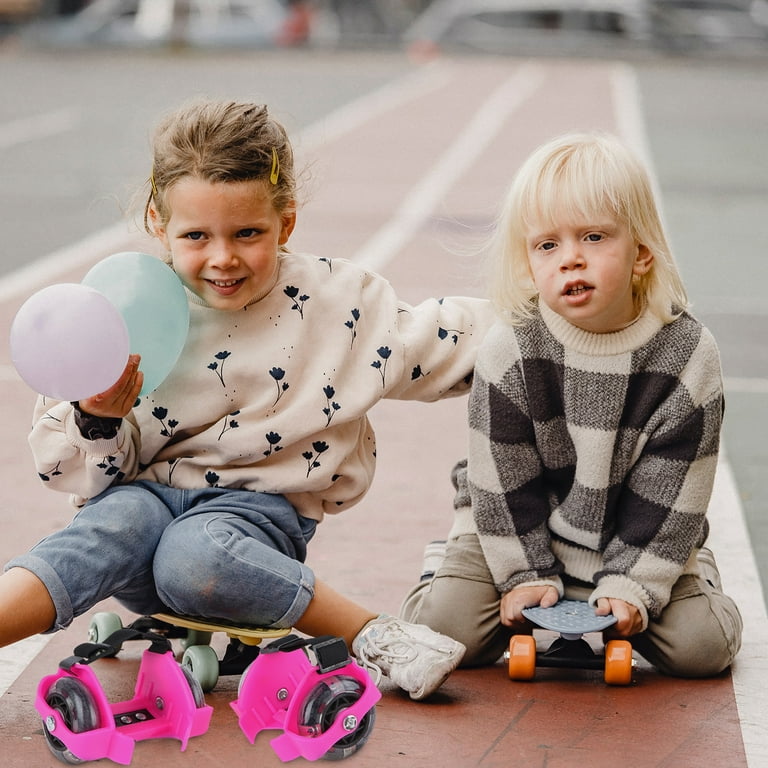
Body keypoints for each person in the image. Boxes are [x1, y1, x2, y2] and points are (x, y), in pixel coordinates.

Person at [0, 99, 493, 700]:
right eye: (196, 235)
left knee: (194, 553)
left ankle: (375, 635)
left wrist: (567, 321)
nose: (223, 257)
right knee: (108, 524)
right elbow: (73, 470)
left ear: (285, 222)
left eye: (248, 233)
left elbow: (444, 338)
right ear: (159, 222)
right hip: (142, 516)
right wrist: (98, 419)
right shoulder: (121, 311)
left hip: (252, 528)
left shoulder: (337, 305)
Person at [401, 132, 742, 677]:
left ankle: (697, 572)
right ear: (529, 260)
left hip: (636, 530)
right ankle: (444, 569)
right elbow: (501, 477)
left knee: (704, 650)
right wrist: (523, 574)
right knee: (446, 631)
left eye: (593, 236)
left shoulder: (687, 356)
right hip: (512, 521)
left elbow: (675, 489)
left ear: (642, 254)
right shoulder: (511, 347)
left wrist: (635, 585)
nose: (570, 260)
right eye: (547, 246)